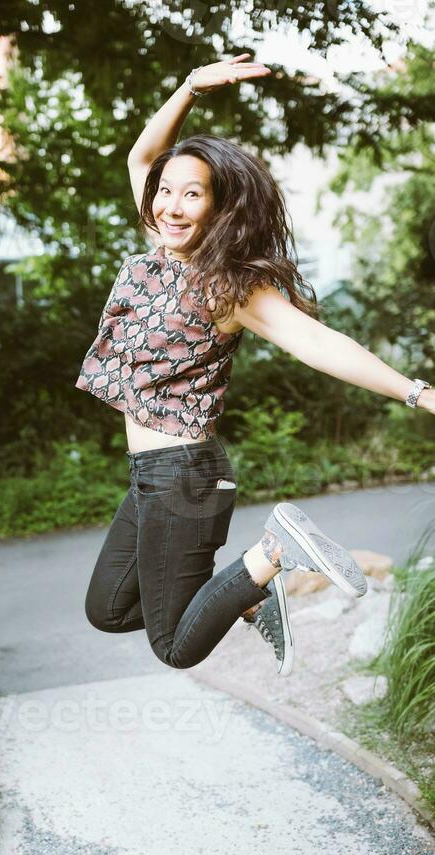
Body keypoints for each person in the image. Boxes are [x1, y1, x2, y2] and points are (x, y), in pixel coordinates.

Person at [75, 55, 435, 677]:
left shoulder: (230, 288)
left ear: (220, 208)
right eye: (167, 191)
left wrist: (417, 392)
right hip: (150, 475)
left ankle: (272, 554)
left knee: (175, 647)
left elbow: (319, 344)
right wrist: (187, 86)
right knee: (108, 608)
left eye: (193, 194)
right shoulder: (159, 250)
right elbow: (141, 158)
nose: (172, 205)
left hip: (184, 474)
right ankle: (249, 592)